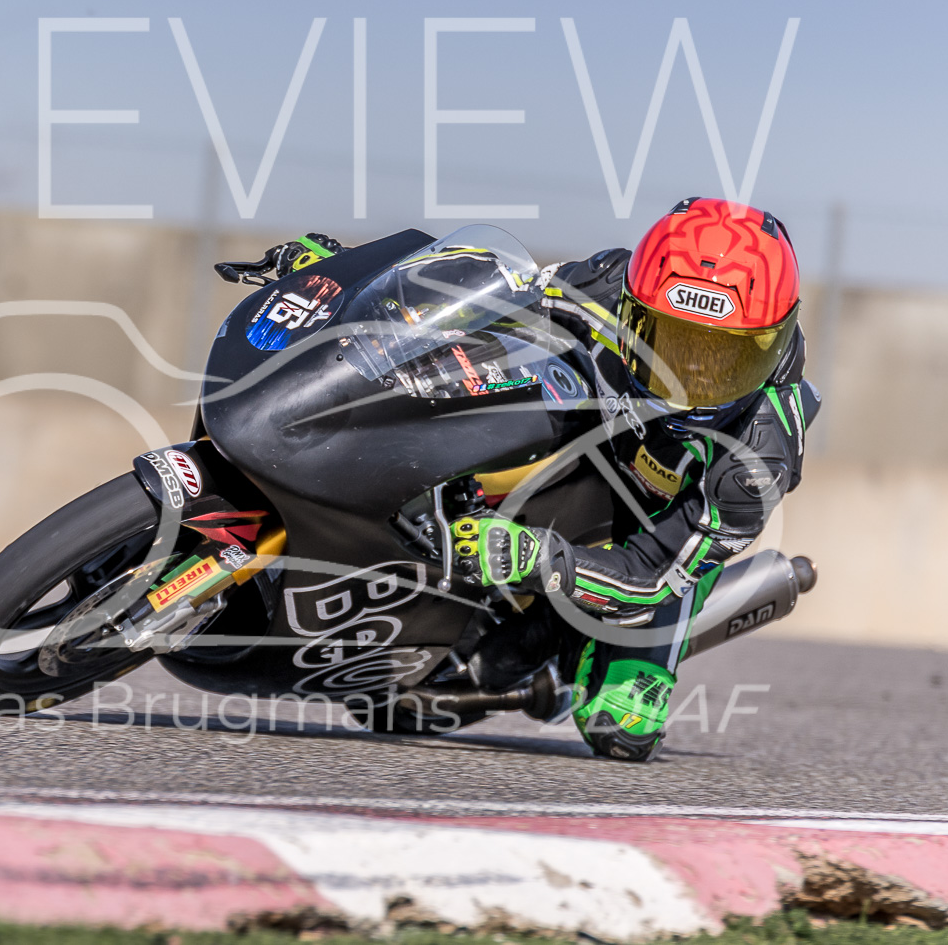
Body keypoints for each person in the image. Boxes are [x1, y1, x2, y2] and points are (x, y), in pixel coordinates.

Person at [251, 198, 817, 762]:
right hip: (588, 435)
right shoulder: (602, 286)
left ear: (772, 346)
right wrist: (348, 280)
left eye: (724, 362)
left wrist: (535, 557)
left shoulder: (756, 462)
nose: (690, 377)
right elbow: (482, 298)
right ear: (633, 308)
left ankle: (565, 651)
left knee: (621, 730)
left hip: (662, 526)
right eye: (670, 344)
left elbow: (650, 577)